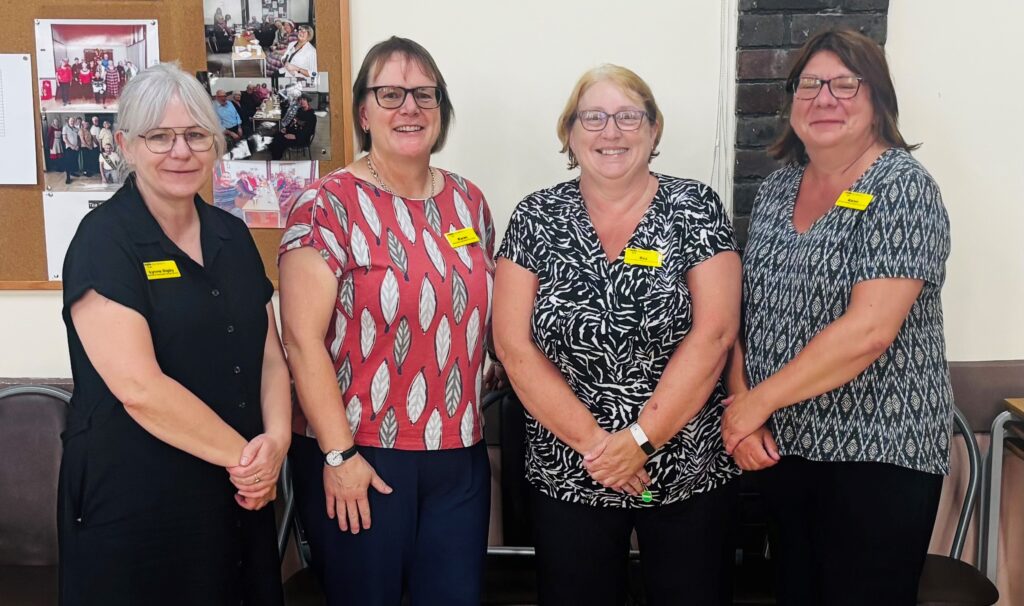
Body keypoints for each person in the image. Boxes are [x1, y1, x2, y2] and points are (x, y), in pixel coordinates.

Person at [493, 64, 742, 606]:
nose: (611, 132)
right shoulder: (535, 216)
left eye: (629, 116)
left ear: (654, 130)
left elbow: (716, 333)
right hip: (570, 470)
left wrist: (638, 442)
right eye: (594, 117)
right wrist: (600, 449)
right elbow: (512, 346)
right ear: (569, 133)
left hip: (685, 465)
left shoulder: (694, 208)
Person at [719, 29, 952, 606]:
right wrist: (746, 409)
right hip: (786, 450)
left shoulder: (903, 188)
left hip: (877, 453)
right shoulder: (777, 189)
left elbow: (868, 332)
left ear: (879, 100)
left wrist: (754, 404)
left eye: (846, 84)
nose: (825, 99)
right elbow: (748, 314)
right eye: (810, 85)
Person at [57, 62, 289, 605]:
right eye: (159, 136)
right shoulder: (103, 242)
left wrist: (275, 442)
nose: (180, 151)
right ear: (125, 145)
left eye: (195, 135)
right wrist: (249, 462)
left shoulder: (231, 235)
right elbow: (141, 389)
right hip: (139, 502)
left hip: (235, 496)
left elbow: (271, 355)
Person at [278, 36, 494, 606]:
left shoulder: (469, 203)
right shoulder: (326, 204)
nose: (410, 108)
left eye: (425, 94)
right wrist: (339, 455)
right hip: (363, 454)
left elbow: (473, 307)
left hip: (459, 453)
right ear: (363, 112)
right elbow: (300, 341)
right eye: (391, 93)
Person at [269, 94, 316, 160]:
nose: (302, 101)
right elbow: (293, 122)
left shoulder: (311, 116)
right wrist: (286, 128)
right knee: (277, 134)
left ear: (308, 101)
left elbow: (308, 131)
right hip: (295, 132)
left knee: (279, 140)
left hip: (302, 138)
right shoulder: (299, 111)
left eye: (304, 100)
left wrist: (295, 136)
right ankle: (274, 151)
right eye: (300, 100)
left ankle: (276, 158)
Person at [62, 116, 81, 184]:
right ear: (68, 121)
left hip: (76, 148)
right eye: (71, 121)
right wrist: (72, 146)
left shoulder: (76, 129)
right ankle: (68, 178)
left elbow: (78, 138)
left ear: (75, 122)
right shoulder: (65, 128)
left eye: (73, 121)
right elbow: (64, 139)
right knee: (68, 163)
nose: (72, 122)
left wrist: (78, 145)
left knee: (74, 161)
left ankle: (72, 173)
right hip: (69, 148)